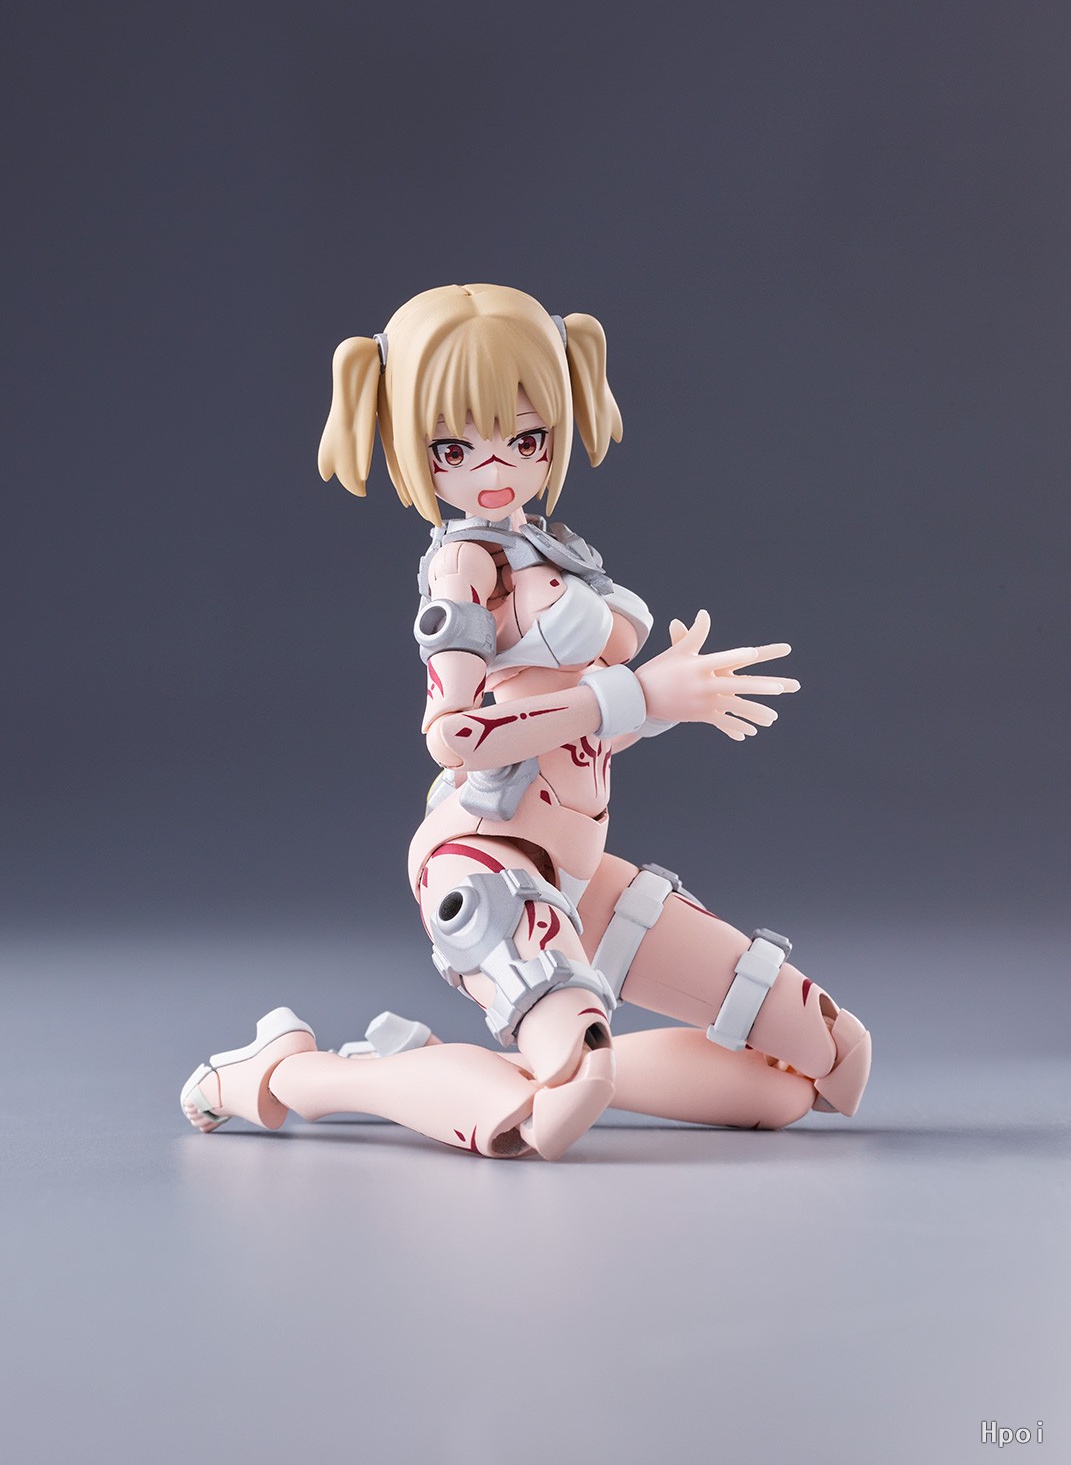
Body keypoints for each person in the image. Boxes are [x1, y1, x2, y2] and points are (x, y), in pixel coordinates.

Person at [180, 283, 871, 1160]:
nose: (495, 467)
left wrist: (667, 706)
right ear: (413, 447)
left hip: (580, 867)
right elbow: (456, 735)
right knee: (563, 1103)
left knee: (815, 1069)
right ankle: (290, 1074)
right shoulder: (463, 570)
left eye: (527, 438)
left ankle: (467, 1065)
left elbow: (573, 733)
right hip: (488, 857)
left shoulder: (554, 549)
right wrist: (636, 696)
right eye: (453, 448)